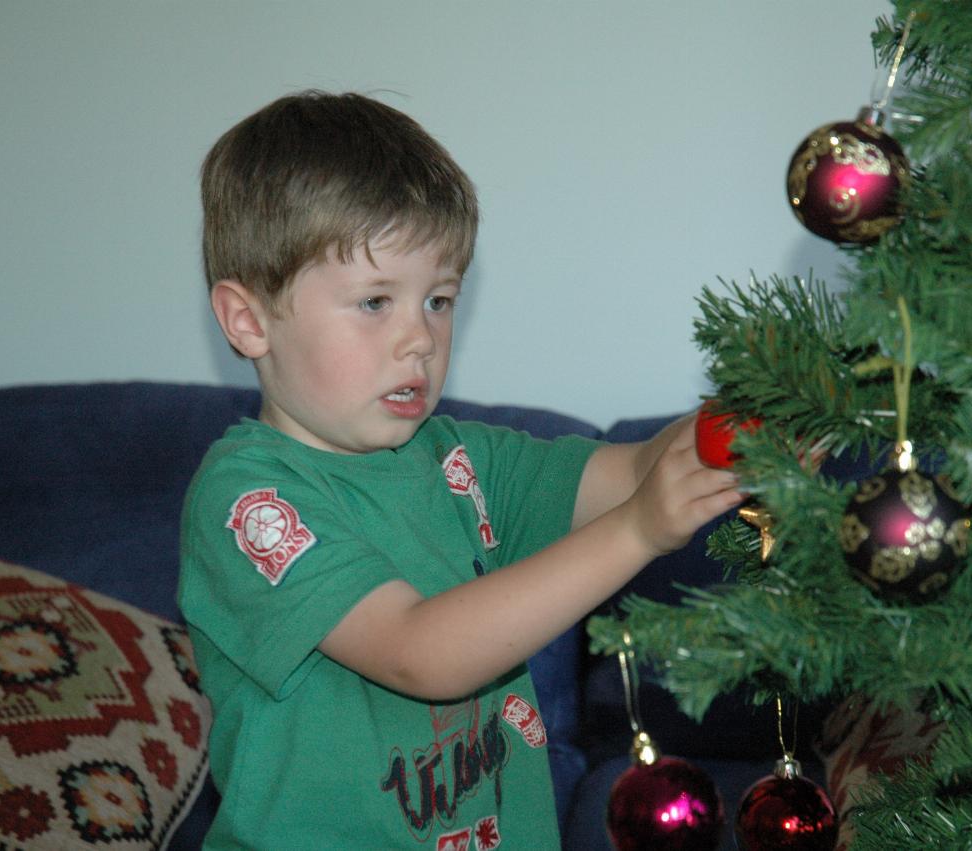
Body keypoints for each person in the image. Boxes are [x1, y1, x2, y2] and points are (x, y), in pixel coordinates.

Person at [178, 89, 743, 850]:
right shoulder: (249, 501)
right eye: (376, 301)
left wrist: (746, 417)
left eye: (439, 299)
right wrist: (640, 532)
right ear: (249, 320)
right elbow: (421, 653)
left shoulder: (456, 460)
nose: (420, 338)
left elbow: (635, 467)